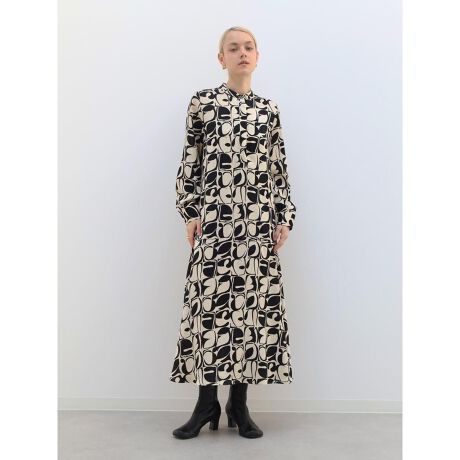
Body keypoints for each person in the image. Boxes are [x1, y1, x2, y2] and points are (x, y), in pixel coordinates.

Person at [170, 26, 297, 440]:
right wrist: (190, 211)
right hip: (214, 222)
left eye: (248, 47)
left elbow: (277, 169)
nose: (242, 53)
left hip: (257, 224)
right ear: (221, 58)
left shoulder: (268, 110)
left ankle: (238, 405)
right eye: (233, 48)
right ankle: (206, 403)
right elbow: (190, 161)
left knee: (250, 311)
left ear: (257, 56)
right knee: (209, 310)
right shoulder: (203, 103)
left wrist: (284, 216)